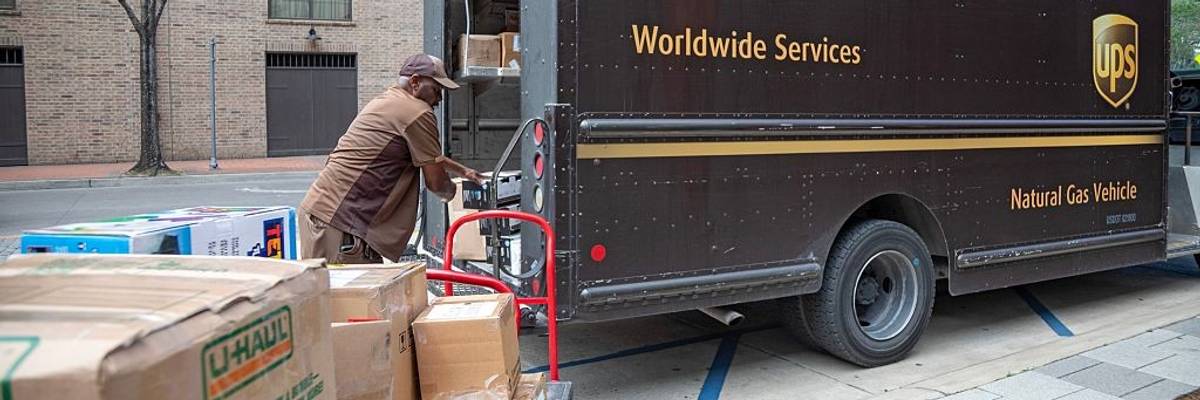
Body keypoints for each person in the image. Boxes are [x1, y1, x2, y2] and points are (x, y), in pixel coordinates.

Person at [299, 54, 484, 264]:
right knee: (345, 295)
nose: (439, 99)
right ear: (415, 82)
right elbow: (436, 183)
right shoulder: (418, 111)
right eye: (436, 90)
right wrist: (460, 194)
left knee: (358, 292)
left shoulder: (391, 99)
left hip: (327, 216)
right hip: (338, 225)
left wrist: (463, 171)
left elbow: (430, 156)